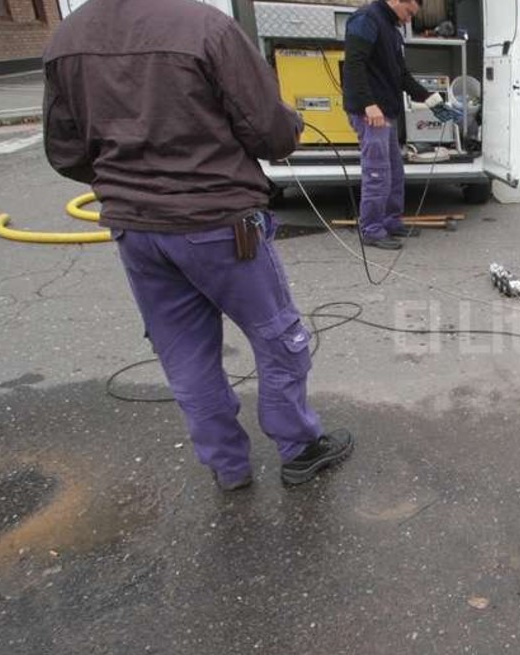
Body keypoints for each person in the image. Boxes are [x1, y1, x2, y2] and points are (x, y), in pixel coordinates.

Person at [42, 0, 353, 490]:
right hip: (220, 224)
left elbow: (65, 151)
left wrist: (131, 184)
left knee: (185, 355)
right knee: (279, 340)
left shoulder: (67, 38)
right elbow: (269, 132)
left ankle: (227, 467)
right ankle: (299, 448)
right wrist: (290, 126)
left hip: (137, 231)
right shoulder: (207, 28)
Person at [342, 0, 454, 250]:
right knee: (377, 173)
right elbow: (354, 64)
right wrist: (368, 104)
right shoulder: (367, 19)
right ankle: (371, 229)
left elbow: (402, 76)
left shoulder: (392, 29)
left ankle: (391, 221)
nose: (408, 20)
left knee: (394, 171)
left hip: (386, 113)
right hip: (371, 114)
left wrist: (436, 103)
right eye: (408, 13)